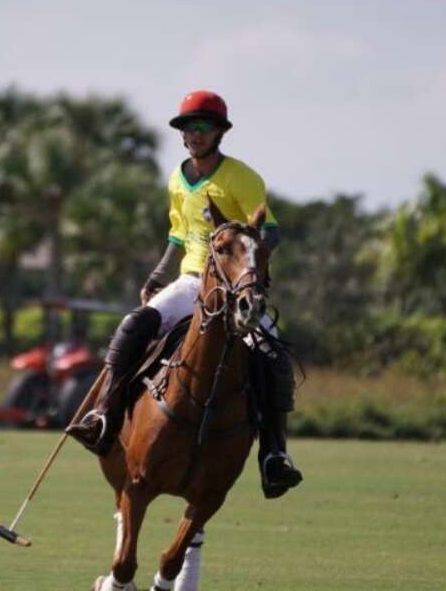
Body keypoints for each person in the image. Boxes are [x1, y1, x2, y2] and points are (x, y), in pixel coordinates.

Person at [66, 90, 303, 499]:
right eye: (188, 128)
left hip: (237, 289)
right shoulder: (177, 179)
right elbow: (177, 234)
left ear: (219, 133)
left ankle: (274, 454)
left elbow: (271, 231)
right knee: (133, 325)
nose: (194, 135)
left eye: (203, 128)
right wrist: (159, 275)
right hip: (192, 281)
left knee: (274, 354)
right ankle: (103, 416)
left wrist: (248, 263)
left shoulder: (242, 178)